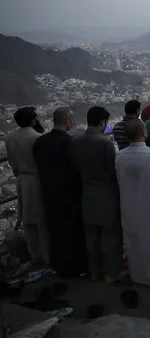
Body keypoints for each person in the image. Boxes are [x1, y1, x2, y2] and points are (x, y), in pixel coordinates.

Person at [68, 106, 124, 284]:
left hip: (86, 192)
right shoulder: (105, 143)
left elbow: (74, 167)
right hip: (106, 193)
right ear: (102, 123)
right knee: (110, 236)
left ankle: (94, 271)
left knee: (91, 237)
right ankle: (110, 273)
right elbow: (112, 171)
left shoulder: (75, 141)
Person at [115, 119, 150, 288]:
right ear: (144, 133)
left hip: (129, 207)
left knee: (135, 244)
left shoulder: (119, 156)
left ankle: (138, 275)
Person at [33, 107, 88, 277]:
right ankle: (75, 267)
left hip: (48, 192)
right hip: (69, 193)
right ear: (67, 121)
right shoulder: (70, 142)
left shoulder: (40, 142)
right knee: (72, 231)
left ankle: (58, 265)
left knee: (55, 230)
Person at [5, 107, 48, 266]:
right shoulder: (38, 138)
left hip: (21, 180)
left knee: (27, 220)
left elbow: (12, 162)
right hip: (37, 180)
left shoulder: (10, 138)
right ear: (33, 120)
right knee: (41, 221)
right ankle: (46, 255)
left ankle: (35, 255)